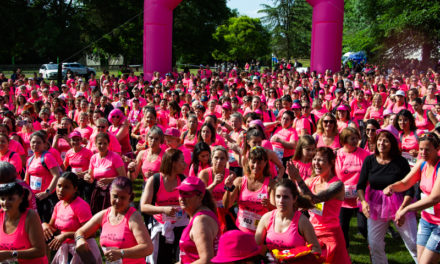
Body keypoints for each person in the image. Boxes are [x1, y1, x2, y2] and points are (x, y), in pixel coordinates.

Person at [357, 125, 417, 264]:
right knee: (374, 244)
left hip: (400, 204)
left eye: (386, 141)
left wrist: (402, 210)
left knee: (413, 243)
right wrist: (364, 202)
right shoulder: (369, 160)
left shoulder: (401, 162)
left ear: (393, 144)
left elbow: (409, 189)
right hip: (375, 206)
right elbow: (360, 186)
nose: (381, 144)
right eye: (379, 140)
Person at [287, 147, 351, 264]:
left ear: (332, 162)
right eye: (314, 159)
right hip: (311, 233)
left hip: (331, 236)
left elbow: (314, 199)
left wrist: (298, 178)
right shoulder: (310, 182)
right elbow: (295, 201)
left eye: (320, 160)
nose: (316, 163)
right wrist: (292, 179)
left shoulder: (337, 185)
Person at [384, 132, 440, 264]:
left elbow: (434, 198)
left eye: (427, 149)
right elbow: (405, 183)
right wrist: (392, 187)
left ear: (437, 149)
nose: (423, 152)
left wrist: (406, 209)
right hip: (427, 220)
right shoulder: (422, 164)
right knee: (420, 261)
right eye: (421, 149)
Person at [75, 177, 153, 264]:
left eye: (123, 198)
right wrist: (80, 239)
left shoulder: (134, 217)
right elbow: (80, 232)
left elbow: (148, 248)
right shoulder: (104, 215)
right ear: (110, 194)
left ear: (130, 197)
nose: (118, 201)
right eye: (115, 196)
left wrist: (121, 253)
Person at [140, 149, 188, 264]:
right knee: (161, 259)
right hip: (160, 227)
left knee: (181, 260)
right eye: (182, 161)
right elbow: (143, 206)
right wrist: (163, 210)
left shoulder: (183, 180)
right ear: (173, 163)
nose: (185, 164)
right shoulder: (155, 180)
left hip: (180, 226)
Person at [255, 178, 321, 262]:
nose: (281, 201)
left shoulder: (302, 222)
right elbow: (255, 247)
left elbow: (316, 249)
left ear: (294, 199)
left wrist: (300, 260)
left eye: (285, 197)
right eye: (278, 196)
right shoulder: (266, 218)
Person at [42, 172, 101, 263]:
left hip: (82, 251)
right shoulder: (58, 205)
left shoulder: (81, 206)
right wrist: (44, 225)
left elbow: (91, 233)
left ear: (75, 189)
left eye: (66, 187)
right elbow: (52, 228)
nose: (60, 190)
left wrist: (66, 235)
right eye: (59, 186)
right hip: (66, 251)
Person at [223, 146, 275, 234]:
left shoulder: (271, 184)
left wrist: (269, 205)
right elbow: (226, 205)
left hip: (260, 234)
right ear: (248, 162)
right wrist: (228, 188)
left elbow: (276, 211)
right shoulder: (239, 181)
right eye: (253, 162)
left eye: (259, 163)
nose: (256, 166)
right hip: (240, 230)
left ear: (265, 162)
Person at [0, 175, 48, 263]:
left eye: (10, 199)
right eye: (2, 199)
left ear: (21, 198)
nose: (5, 202)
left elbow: (40, 251)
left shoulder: (30, 216)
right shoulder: (0, 215)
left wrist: (10, 254)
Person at [335, 127, 369, 248]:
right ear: (344, 139)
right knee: (342, 229)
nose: (355, 141)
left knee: (364, 228)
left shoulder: (364, 154)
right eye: (352, 138)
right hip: (342, 199)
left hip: (360, 198)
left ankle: (375, 250)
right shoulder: (337, 154)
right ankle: (345, 255)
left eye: (356, 138)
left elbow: (369, 174)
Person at [177, 176, 220, 264]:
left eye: (187, 193)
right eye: (180, 192)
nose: (182, 197)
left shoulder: (201, 221)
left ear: (200, 197)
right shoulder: (196, 215)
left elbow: (207, 260)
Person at [84, 132, 126, 214]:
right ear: (95, 144)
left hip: (113, 193)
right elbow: (91, 177)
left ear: (108, 144)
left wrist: (109, 180)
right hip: (98, 192)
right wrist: (87, 177)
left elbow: (123, 177)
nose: (102, 146)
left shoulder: (115, 157)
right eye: (100, 143)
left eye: (105, 143)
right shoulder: (93, 158)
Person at [24, 131, 61, 223]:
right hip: (34, 198)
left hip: (47, 198)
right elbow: (26, 179)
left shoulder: (48, 157)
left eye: (38, 142)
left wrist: (47, 192)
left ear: (44, 144)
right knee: (36, 223)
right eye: (33, 142)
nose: (35, 145)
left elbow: (56, 175)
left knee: (47, 225)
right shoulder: (30, 159)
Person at [199, 146, 237, 233]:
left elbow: (233, 199)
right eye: (216, 158)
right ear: (211, 159)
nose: (219, 161)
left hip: (226, 212)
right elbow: (200, 196)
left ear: (227, 160)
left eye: (222, 158)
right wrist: (214, 183)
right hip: (209, 210)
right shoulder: (204, 174)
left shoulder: (231, 175)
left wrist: (229, 187)